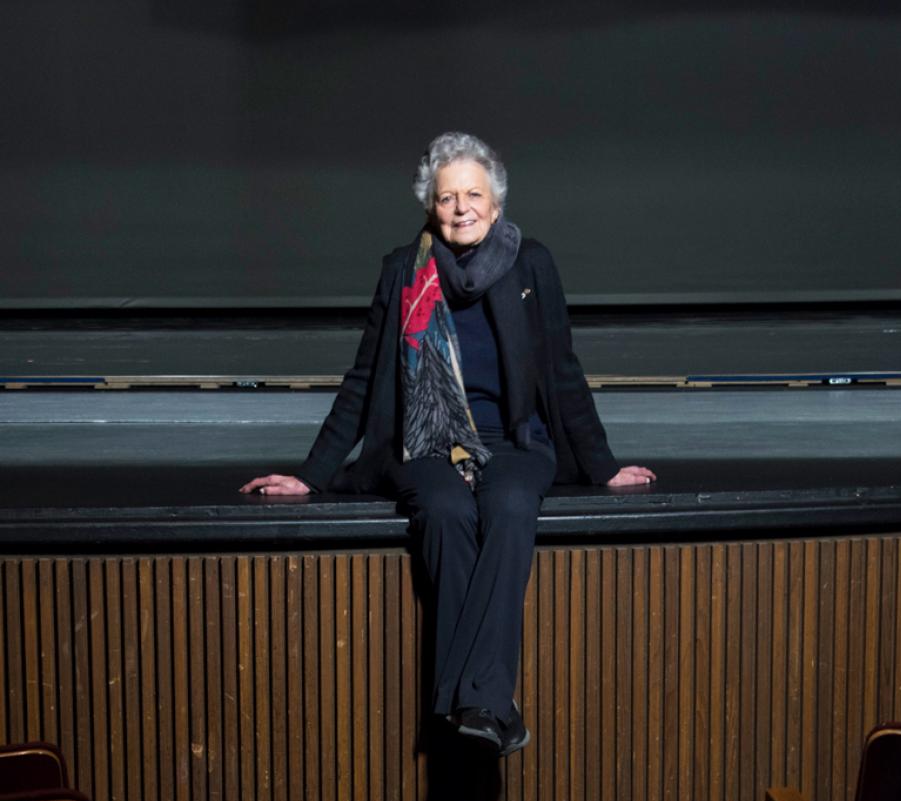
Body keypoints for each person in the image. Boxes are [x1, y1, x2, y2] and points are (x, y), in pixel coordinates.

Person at [241, 131, 655, 756]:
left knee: (512, 505)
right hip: (426, 442)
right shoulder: (402, 272)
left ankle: (464, 706)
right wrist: (313, 473)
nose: (461, 208)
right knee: (446, 509)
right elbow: (364, 378)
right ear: (428, 206)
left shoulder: (531, 264)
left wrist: (603, 467)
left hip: (513, 440)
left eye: (473, 194)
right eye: (446, 197)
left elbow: (562, 371)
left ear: (496, 201)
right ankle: (487, 707)